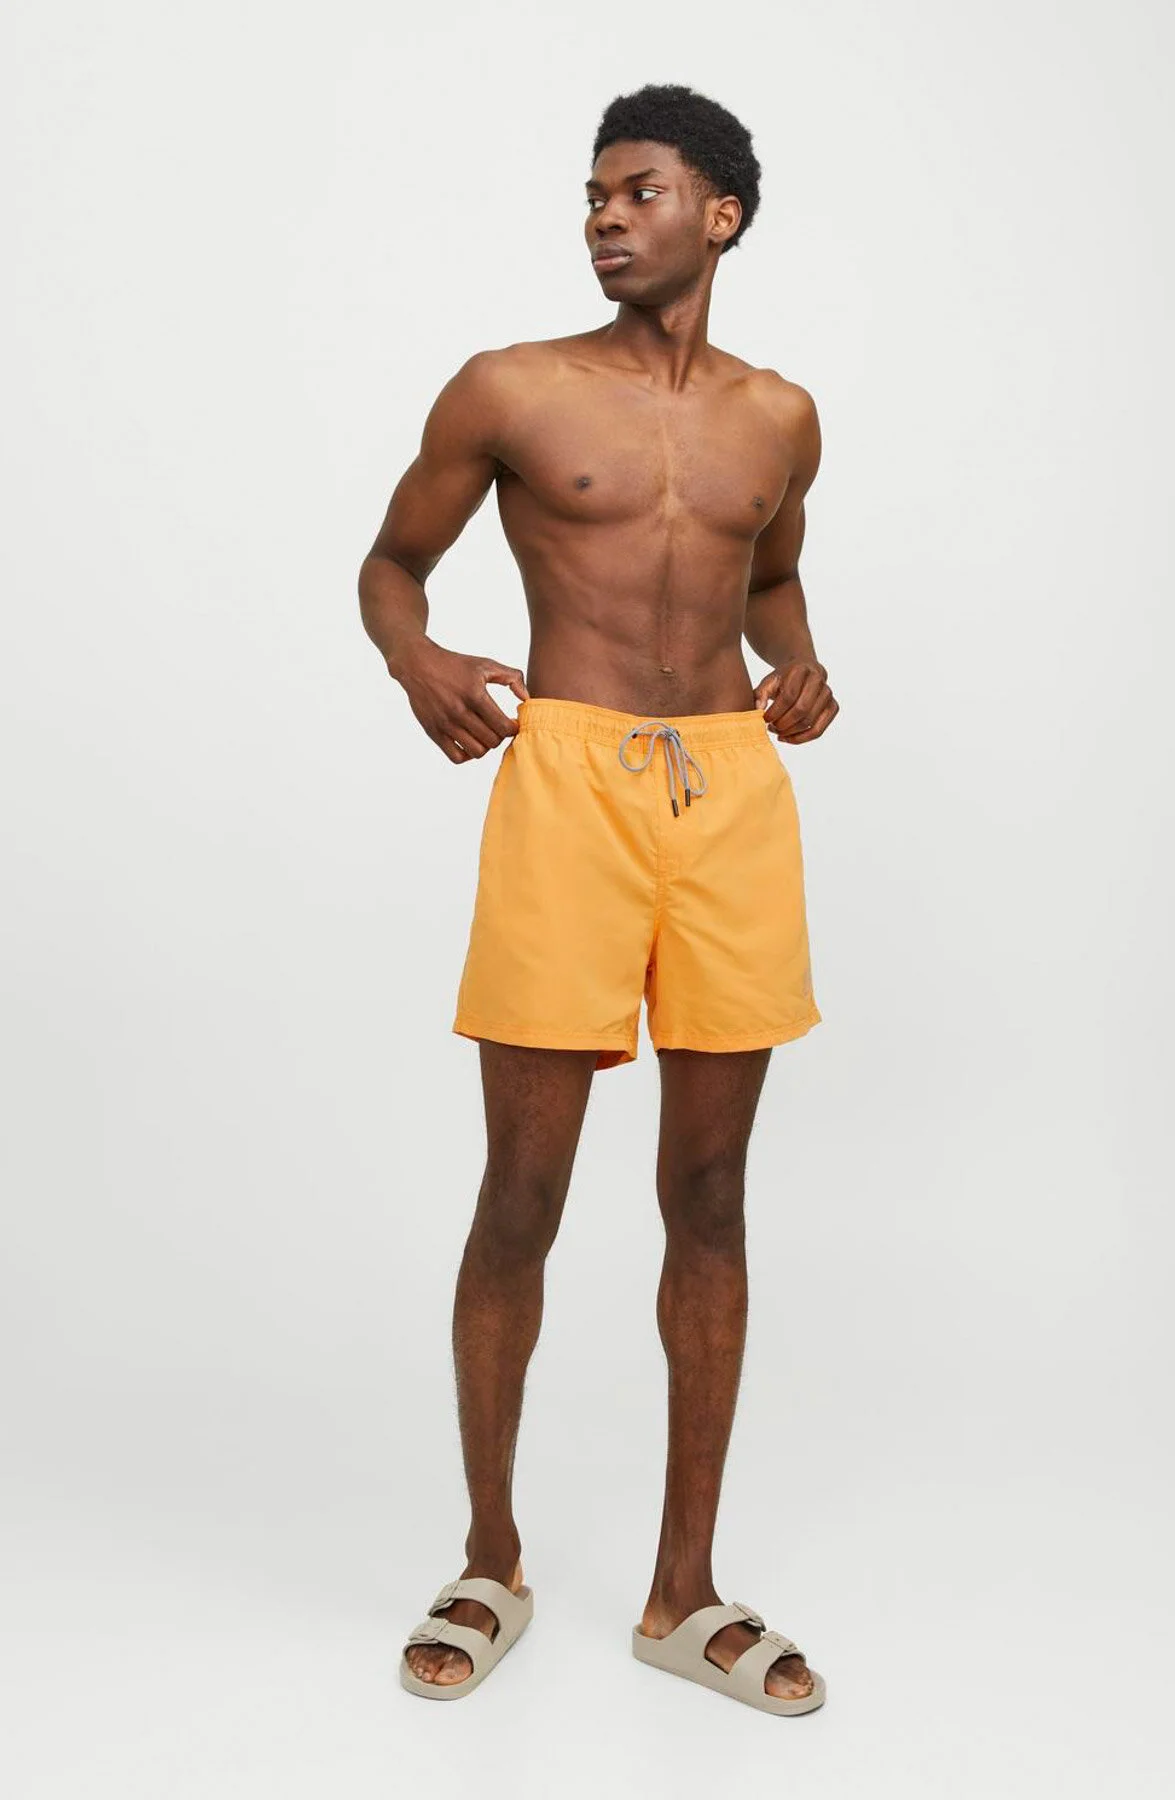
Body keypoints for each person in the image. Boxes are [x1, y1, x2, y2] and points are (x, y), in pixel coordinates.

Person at [359, 82, 839, 1717]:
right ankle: (490, 1556)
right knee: (525, 1188)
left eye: (638, 192)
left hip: (731, 795)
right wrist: (418, 659)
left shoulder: (782, 416)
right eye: (592, 195)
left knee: (710, 1195)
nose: (604, 219)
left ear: (722, 215)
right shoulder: (511, 387)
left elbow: (776, 580)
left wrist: (802, 668)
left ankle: (682, 1592)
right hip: (565, 784)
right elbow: (390, 562)